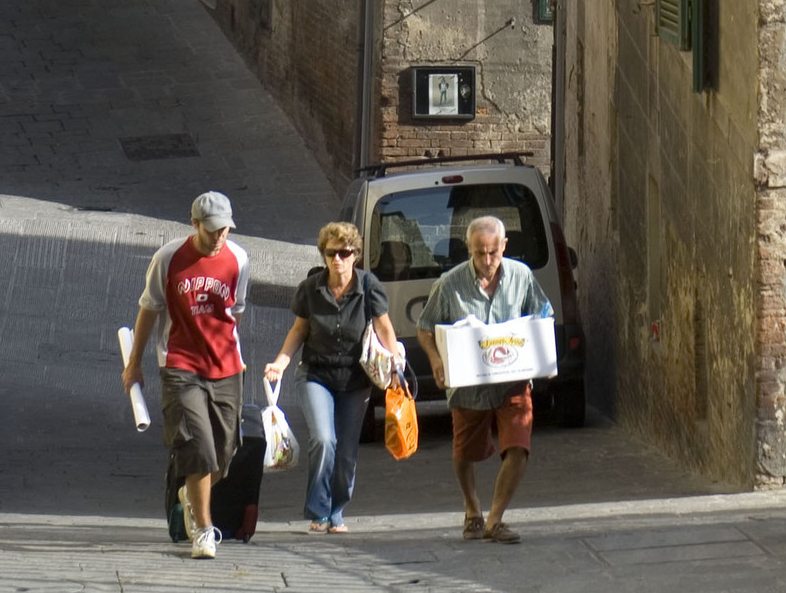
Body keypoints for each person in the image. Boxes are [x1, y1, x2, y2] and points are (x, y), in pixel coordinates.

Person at [123, 191, 249, 563]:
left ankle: (190, 493)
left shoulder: (239, 259)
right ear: (194, 225)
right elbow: (149, 310)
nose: (218, 237)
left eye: (224, 229)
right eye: (211, 230)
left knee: (224, 452)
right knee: (198, 448)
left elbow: (235, 311)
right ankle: (204, 530)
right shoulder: (168, 259)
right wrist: (135, 363)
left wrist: (229, 351)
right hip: (180, 365)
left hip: (226, 366)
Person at [418, 215, 553, 545]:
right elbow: (425, 326)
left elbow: (544, 314)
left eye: (494, 252)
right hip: (468, 386)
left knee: (518, 448)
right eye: (480, 253)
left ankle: (495, 519)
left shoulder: (521, 276)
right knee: (465, 452)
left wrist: (542, 352)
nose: (488, 261)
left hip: (513, 380)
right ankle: (472, 508)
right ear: (469, 250)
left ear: (504, 246)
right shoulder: (449, 284)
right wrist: (436, 360)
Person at [265, 221, 399, 533]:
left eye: (344, 252)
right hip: (316, 374)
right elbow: (299, 330)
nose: (337, 259)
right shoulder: (311, 289)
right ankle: (319, 509)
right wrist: (280, 363)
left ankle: (337, 511)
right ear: (323, 255)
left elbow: (385, 328)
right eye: (331, 253)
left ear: (356, 255)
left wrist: (396, 367)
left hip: (355, 379)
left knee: (348, 450)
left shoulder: (369, 286)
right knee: (324, 440)